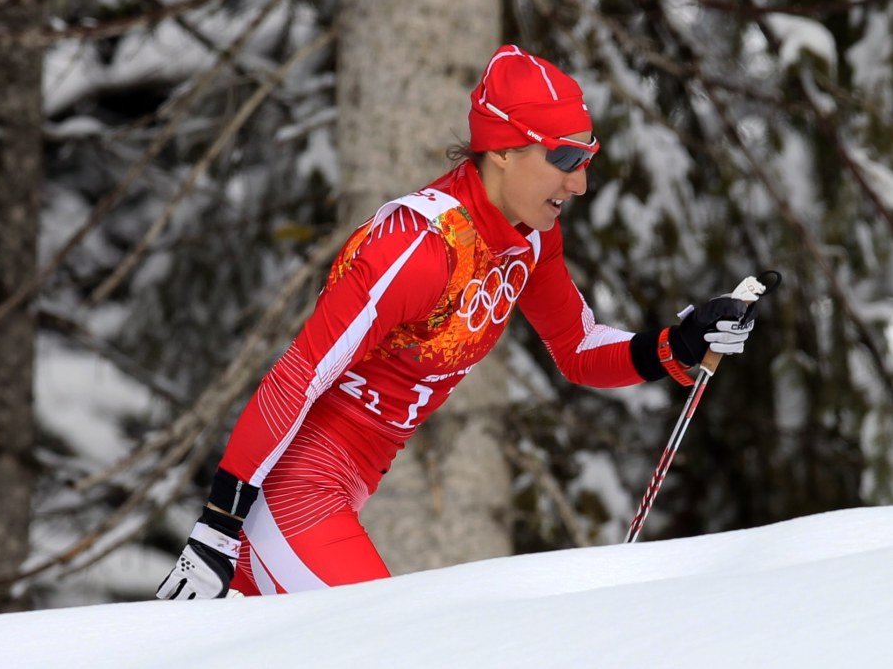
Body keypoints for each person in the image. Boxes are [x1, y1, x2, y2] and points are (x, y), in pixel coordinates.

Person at [156, 44, 756, 599]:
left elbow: (577, 347)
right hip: (292, 491)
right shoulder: (419, 246)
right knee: (394, 645)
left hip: (341, 489)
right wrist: (217, 526)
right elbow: (298, 376)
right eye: (564, 158)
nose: (579, 182)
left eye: (587, 158)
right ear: (503, 150)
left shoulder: (530, 239)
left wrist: (680, 342)